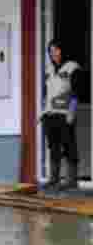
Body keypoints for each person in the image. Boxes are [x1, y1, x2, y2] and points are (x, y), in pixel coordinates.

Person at [40, 39, 80, 191]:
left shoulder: (72, 67)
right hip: (50, 114)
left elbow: (76, 93)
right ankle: (54, 179)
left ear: (62, 50)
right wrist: (43, 112)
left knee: (69, 146)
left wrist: (72, 112)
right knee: (53, 147)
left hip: (65, 114)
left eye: (56, 50)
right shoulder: (48, 69)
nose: (53, 53)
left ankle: (71, 181)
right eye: (50, 51)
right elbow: (46, 93)